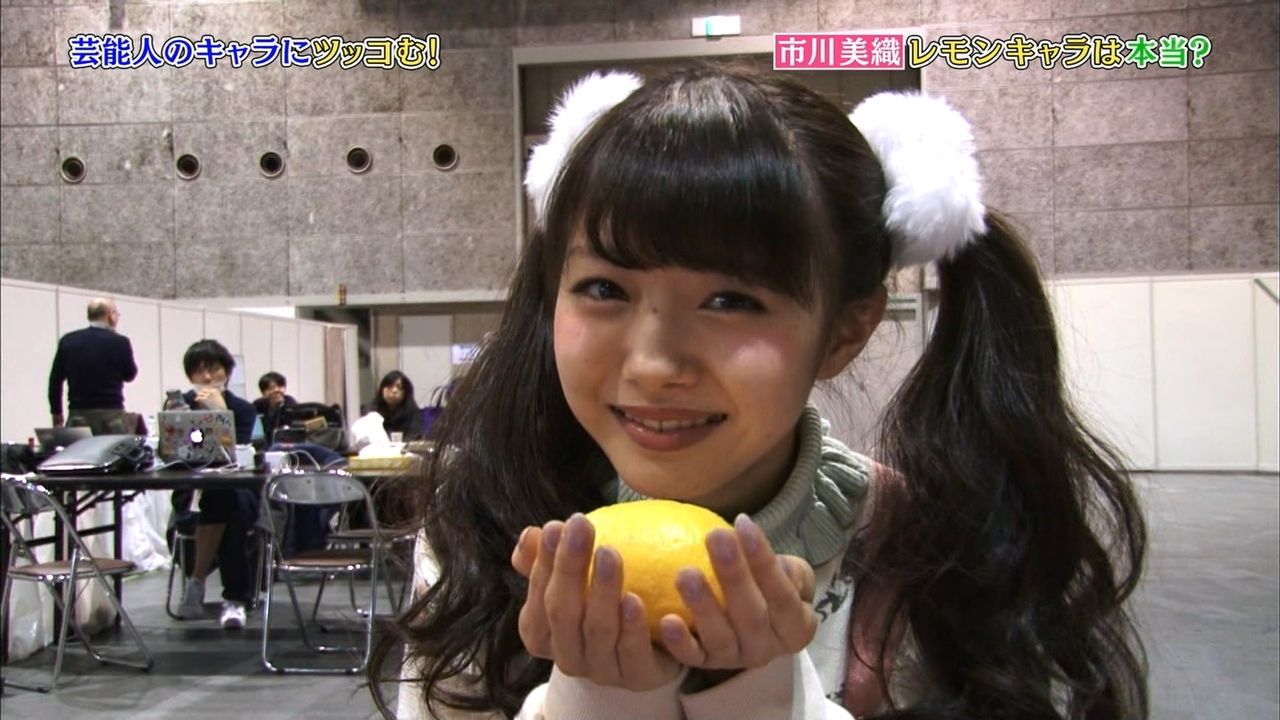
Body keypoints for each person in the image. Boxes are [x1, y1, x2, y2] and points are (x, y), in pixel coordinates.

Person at [373, 67, 1148, 720]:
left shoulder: (930, 558)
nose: (654, 364)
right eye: (604, 288)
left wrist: (763, 700)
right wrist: (593, 700)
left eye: (731, 301)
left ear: (845, 329)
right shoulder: (483, 524)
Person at [171, 339, 259, 630]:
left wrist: (221, 414)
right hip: (191, 491)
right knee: (223, 504)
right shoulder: (180, 405)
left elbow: (238, 455)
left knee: (225, 500)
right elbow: (173, 453)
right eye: (199, 371)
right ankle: (235, 599)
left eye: (213, 369)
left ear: (227, 372)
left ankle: (196, 585)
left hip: (238, 488)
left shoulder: (242, 409)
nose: (207, 377)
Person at [47, 297, 138, 435]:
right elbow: (130, 374)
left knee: (79, 449)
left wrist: (56, 412)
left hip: (78, 416)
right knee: (113, 449)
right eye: (116, 313)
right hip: (111, 416)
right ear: (110, 315)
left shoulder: (68, 341)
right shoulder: (120, 342)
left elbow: (55, 380)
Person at [373, 370, 425, 440]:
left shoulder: (413, 413)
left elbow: (414, 436)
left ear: (405, 393)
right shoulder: (373, 413)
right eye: (389, 386)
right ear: (382, 390)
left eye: (399, 387)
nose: (394, 390)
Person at [253, 371, 297, 442]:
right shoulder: (258, 405)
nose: (276, 390)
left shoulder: (291, 404)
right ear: (263, 393)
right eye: (271, 388)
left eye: (280, 387)